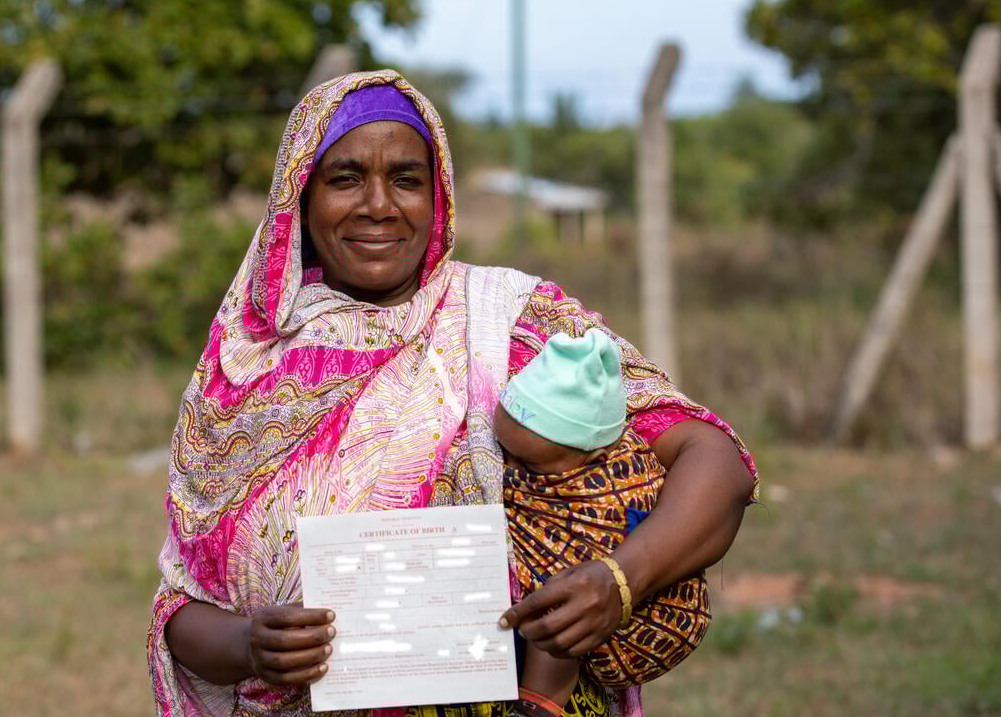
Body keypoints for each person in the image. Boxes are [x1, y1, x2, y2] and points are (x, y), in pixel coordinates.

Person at [147, 71, 759, 717]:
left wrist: (620, 580)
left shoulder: (508, 320)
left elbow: (714, 459)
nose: (378, 205)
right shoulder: (243, 370)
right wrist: (249, 644)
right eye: (346, 177)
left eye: (406, 179)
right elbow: (182, 608)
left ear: (437, 198)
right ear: (300, 196)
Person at [497, 329, 711, 717]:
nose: (510, 473)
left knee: (560, 597)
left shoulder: (603, 500)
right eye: (503, 454)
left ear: (593, 456)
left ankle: (538, 706)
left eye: (528, 466)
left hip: (638, 630)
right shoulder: (567, 456)